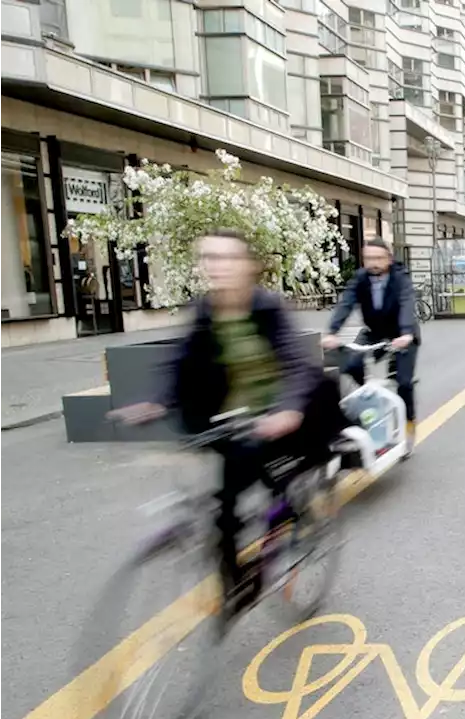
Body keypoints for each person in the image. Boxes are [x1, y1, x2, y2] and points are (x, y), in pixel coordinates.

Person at [113, 228, 344, 622]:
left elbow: (293, 362)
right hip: (244, 420)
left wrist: (287, 410)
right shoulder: (207, 309)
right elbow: (181, 360)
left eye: (228, 258)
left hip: (292, 415)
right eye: (210, 258)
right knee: (223, 511)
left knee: (280, 488)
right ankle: (235, 585)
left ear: (250, 266)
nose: (218, 267)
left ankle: (298, 525)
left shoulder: (266, 307)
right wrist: (156, 400)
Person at [321, 238, 419, 452]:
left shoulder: (400, 278)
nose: (373, 263)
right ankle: (370, 409)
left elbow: (406, 304)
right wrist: (331, 333)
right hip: (374, 333)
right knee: (350, 365)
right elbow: (346, 303)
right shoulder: (360, 278)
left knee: (404, 383)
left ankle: (409, 424)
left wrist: (405, 334)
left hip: (402, 334)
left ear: (389, 260)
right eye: (368, 258)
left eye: (378, 258)